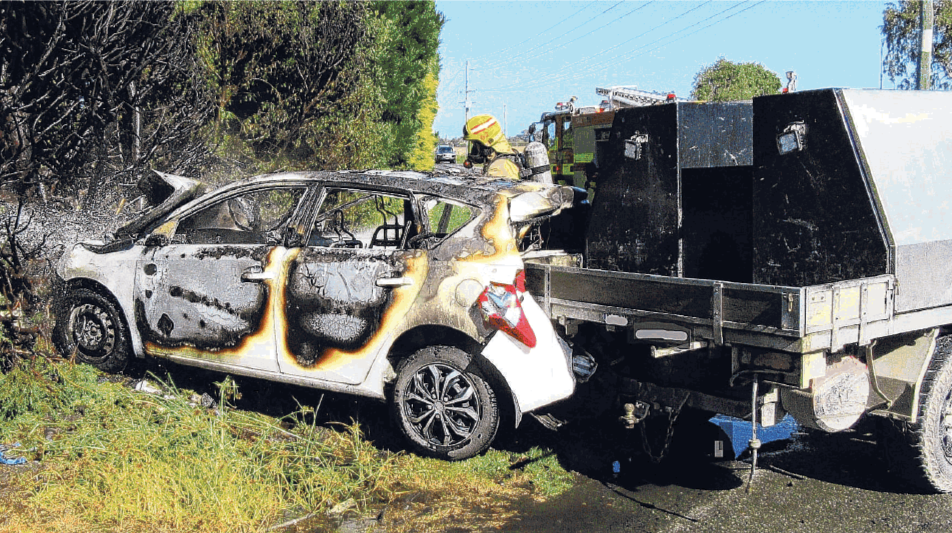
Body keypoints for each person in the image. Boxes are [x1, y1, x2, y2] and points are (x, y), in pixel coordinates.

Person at [462, 114, 522, 179]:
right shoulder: (507, 158)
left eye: (475, 143)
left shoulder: (498, 168)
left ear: (487, 142)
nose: (474, 149)